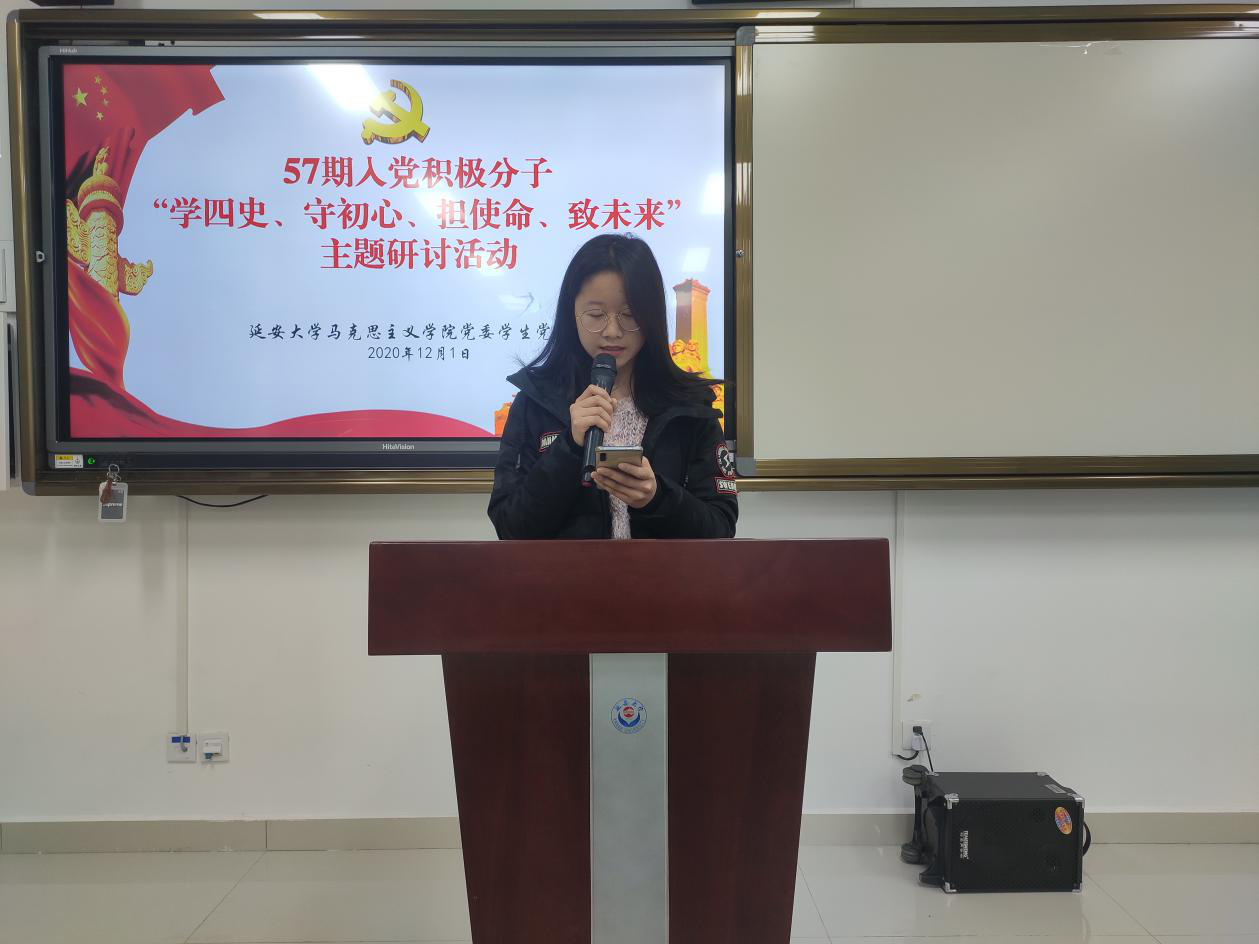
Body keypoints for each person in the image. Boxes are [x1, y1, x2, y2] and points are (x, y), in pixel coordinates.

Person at [488, 234, 737, 540]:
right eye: (596, 315)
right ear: (571, 313)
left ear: (652, 317)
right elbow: (510, 528)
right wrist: (569, 447)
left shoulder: (690, 406)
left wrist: (657, 498)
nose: (612, 331)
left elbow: (721, 528)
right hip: (567, 573)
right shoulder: (535, 401)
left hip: (661, 573)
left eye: (630, 315)